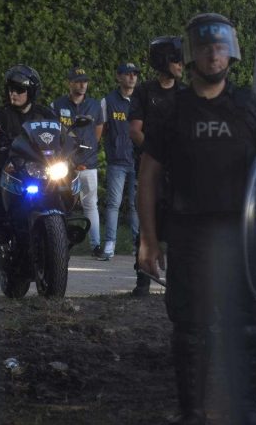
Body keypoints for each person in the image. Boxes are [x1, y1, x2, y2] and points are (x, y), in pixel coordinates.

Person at [137, 13, 256, 425]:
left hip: (242, 236)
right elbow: (147, 178)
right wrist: (148, 239)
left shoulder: (253, 110)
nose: (212, 54)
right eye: (204, 47)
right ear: (191, 54)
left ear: (231, 52)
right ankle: (190, 415)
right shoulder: (171, 111)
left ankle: (246, 413)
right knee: (189, 327)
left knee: (246, 327)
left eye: (219, 47)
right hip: (188, 234)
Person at [0, 65, 57, 300]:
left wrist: (72, 144)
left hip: (41, 173)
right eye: (10, 89)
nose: (13, 93)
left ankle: (57, 245)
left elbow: (62, 135)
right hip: (7, 173)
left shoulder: (45, 115)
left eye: (19, 89)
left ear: (31, 91)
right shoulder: (1, 116)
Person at [128, 36, 186, 296]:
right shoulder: (144, 91)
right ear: (163, 62)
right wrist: (156, 155)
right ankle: (143, 280)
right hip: (151, 165)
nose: (181, 65)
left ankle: (181, 279)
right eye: (176, 60)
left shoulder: (185, 93)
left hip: (180, 167)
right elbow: (135, 130)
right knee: (148, 215)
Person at [52, 67, 104, 258]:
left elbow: (98, 130)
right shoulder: (57, 105)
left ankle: (96, 246)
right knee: (59, 203)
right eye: (78, 81)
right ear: (70, 83)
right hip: (63, 164)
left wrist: (86, 149)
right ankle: (59, 243)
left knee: (91, 204)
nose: (83, 84)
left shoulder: (95, 105)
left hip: (88, 163)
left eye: (85, 81)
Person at [100, 62, 140, 260]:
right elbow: (101, 130)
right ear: (118, 77)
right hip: (117, 160)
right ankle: (110, 245)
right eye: (127, 74)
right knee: (113, 203)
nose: (132, 77)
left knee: (136, 205)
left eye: (134, 74)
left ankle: (137, 245)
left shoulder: (141, 101)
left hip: (137, 160)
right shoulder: (108, 101)